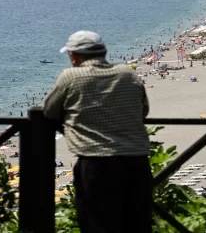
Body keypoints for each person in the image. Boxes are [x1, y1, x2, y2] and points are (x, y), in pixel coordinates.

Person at [44, 30, 152, 233]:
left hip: (96, 162)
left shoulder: (70, 77)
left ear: (73, 56)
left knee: (97, 225)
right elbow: (143, 109)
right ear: (104, 52)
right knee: (138, 224)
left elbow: (49, 111)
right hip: (136, 161)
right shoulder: (127, 73)